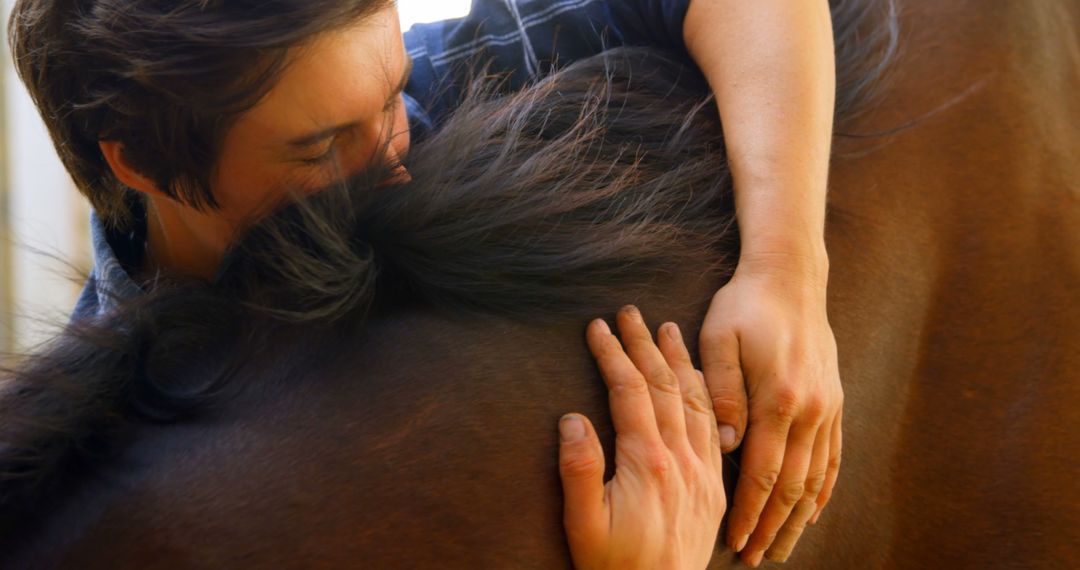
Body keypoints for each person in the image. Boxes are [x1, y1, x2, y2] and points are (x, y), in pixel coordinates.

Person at [8, 0, 842, 566]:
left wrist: (785, 271)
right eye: (319, 147)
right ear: (142, 161)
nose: (394, 154)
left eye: (395, 94)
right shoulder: (112, 479)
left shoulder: (439, 80)